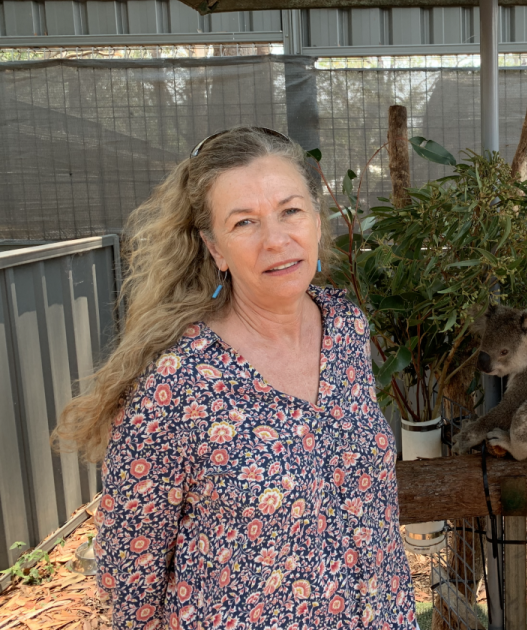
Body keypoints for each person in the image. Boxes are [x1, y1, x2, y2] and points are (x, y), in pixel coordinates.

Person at [54, 127, 419, 630]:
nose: (276, 239)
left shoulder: (344, 326)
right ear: (214, 247)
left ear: (316, 220)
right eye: (245, 222)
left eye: (290, 211)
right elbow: (130, 572)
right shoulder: (176, 382)